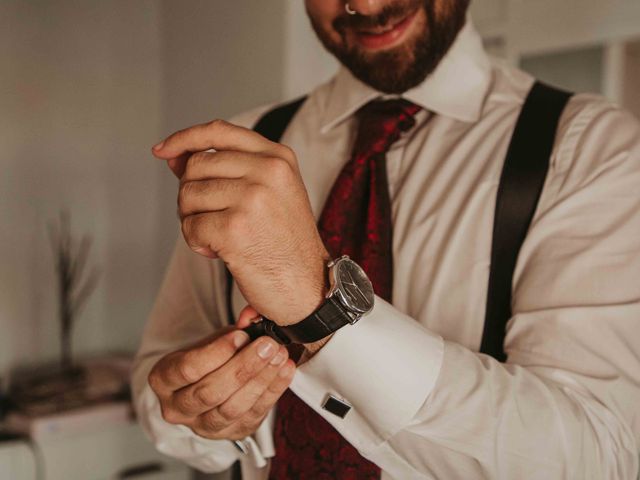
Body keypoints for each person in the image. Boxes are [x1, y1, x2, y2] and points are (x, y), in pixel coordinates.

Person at [132, 0, 640, 478]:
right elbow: (157, 390)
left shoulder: (589, 151)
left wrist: (319, 309)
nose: (367, 4)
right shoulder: (246, 148)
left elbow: (599, 456)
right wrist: (205, 416)